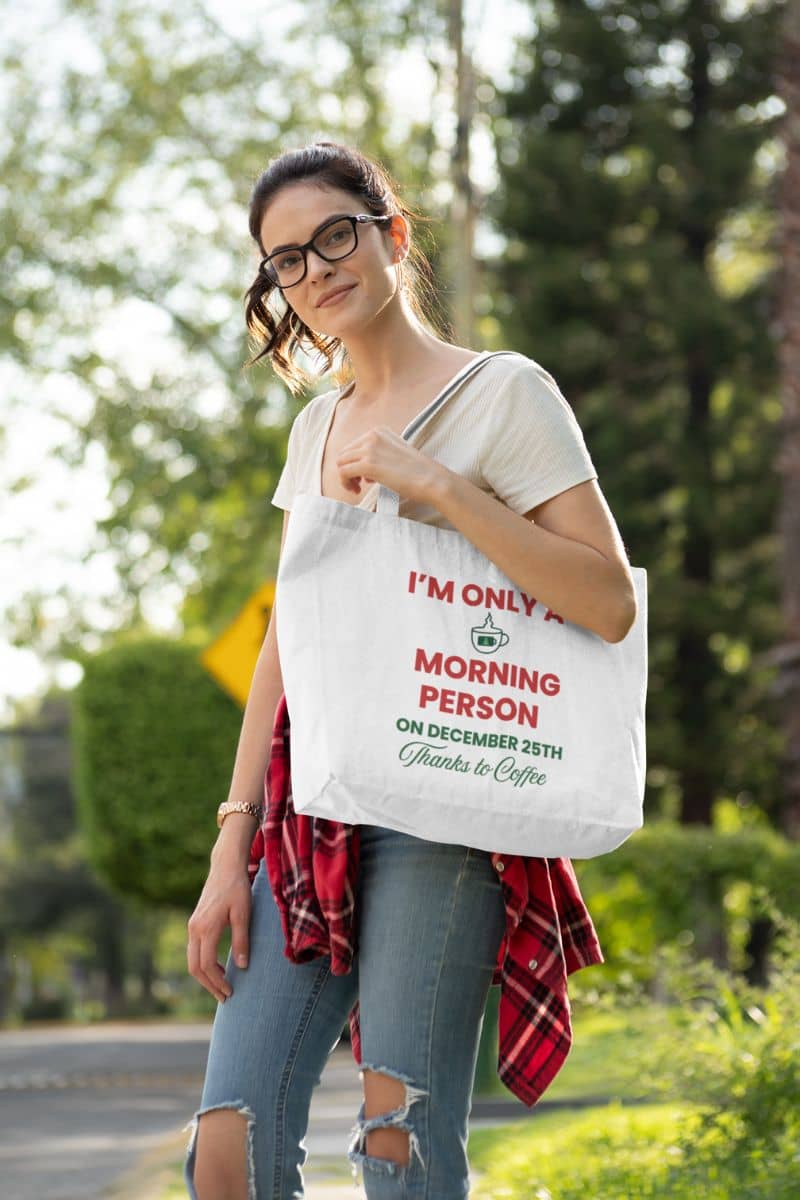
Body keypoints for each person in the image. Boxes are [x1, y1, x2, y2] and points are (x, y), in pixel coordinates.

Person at [183, 139, 636, 1200]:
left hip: (449, 799)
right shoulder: (315, 428)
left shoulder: (504, 394)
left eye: (333, 235)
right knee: (226, 1153)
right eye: (284, 261)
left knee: (399, 1148)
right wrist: (229, 844)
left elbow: (606, 602)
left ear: (389, 232)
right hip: (307, 815)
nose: (314, 271)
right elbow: (287, 641)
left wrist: (438, 489)